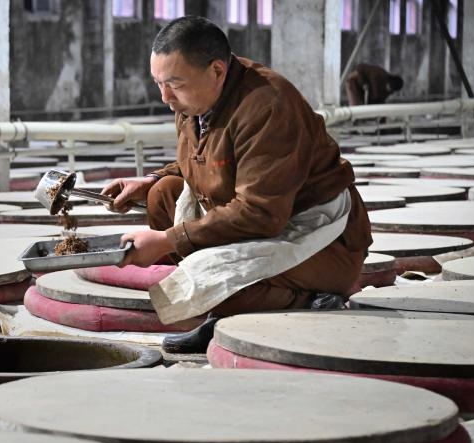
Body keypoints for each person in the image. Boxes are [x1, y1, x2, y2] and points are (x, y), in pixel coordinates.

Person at [102, 16, 371, 353]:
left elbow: (260, 213)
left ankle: (311, 297)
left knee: (216, 281)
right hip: (259, 221)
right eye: (158, 82)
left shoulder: (268, 106)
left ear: (217, 70)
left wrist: (167, 240)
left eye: (175, 83)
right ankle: (221, 302)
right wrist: (149, 180)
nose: (165, 96)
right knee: (162, 195)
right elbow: (206, 159)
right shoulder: (195, 98)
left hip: (315, 237)